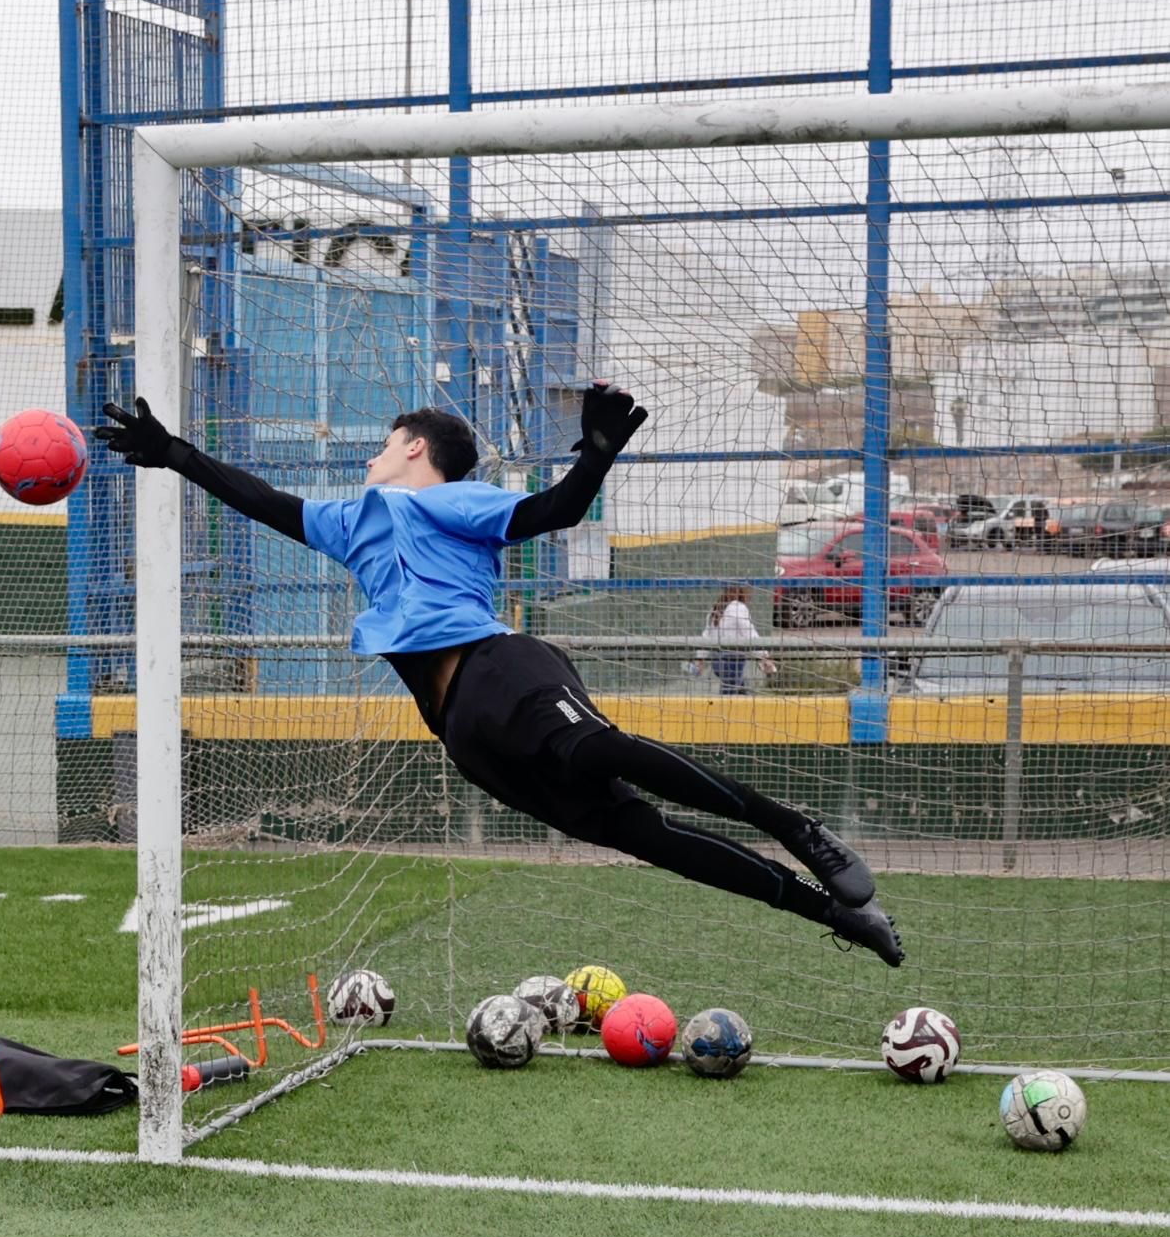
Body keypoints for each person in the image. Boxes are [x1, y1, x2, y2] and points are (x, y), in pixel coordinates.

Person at [94, 385, 903, 965]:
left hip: (499, 665)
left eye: (385, 441)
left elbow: (553, 511)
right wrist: (172, 455)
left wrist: (594, 456)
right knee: (640, 835)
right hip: (460, 728)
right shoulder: (347, 522)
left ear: (415, 448)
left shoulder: (451, 501)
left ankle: (796, 828)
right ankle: (829, 911)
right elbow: (262, 500)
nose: (373, 454)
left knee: (601, 753)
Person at [700, 583, 777, 695]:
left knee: (738, 686)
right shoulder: (739, 608)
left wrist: (699, 658)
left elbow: (706, 635)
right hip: (733, 660)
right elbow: (749, 633)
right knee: (729, 691)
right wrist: (764, 655)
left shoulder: (715, 608)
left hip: (717, 660)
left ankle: (745, 696)